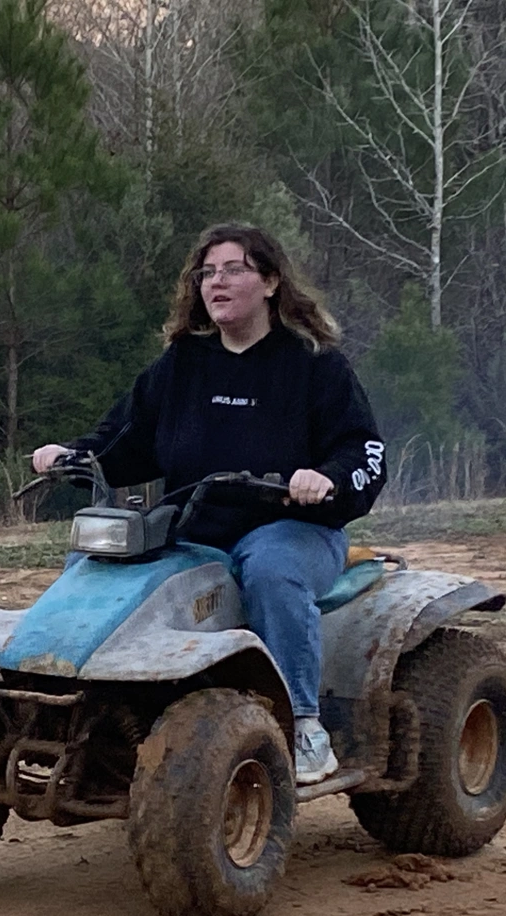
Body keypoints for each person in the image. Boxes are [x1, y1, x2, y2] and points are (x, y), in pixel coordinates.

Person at [32, 223, 387, 784]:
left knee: (270, 571)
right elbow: (124, 440)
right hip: (193, 525)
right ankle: (62, 706)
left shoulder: (315, 366)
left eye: (233, 270)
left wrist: (326, 478)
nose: (216, 282)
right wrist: (71, 455)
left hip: (291, 529)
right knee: (95, 562)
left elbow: (364, 451)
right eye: (207, 272)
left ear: (270, 282)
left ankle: (302, 724)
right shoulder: (182, 366)